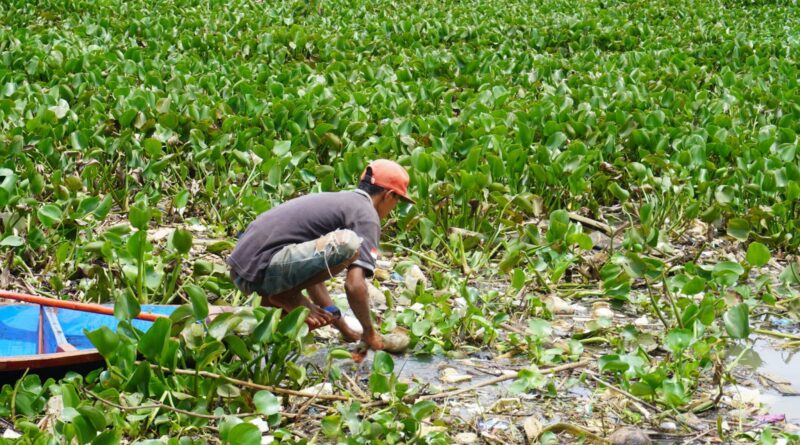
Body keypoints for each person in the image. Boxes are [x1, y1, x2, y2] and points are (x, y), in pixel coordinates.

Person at [228, 159, 414, 350]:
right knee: (348, 244)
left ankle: (269, 306)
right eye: (397, 201)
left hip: (242, 271)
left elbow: (313, 266)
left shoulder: (339, 200)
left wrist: (343, 328)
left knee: (289, 325)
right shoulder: (366, 214)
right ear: (389, 195)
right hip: (264, 271)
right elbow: (354, 285)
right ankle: (284, 295)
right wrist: (369, 332)